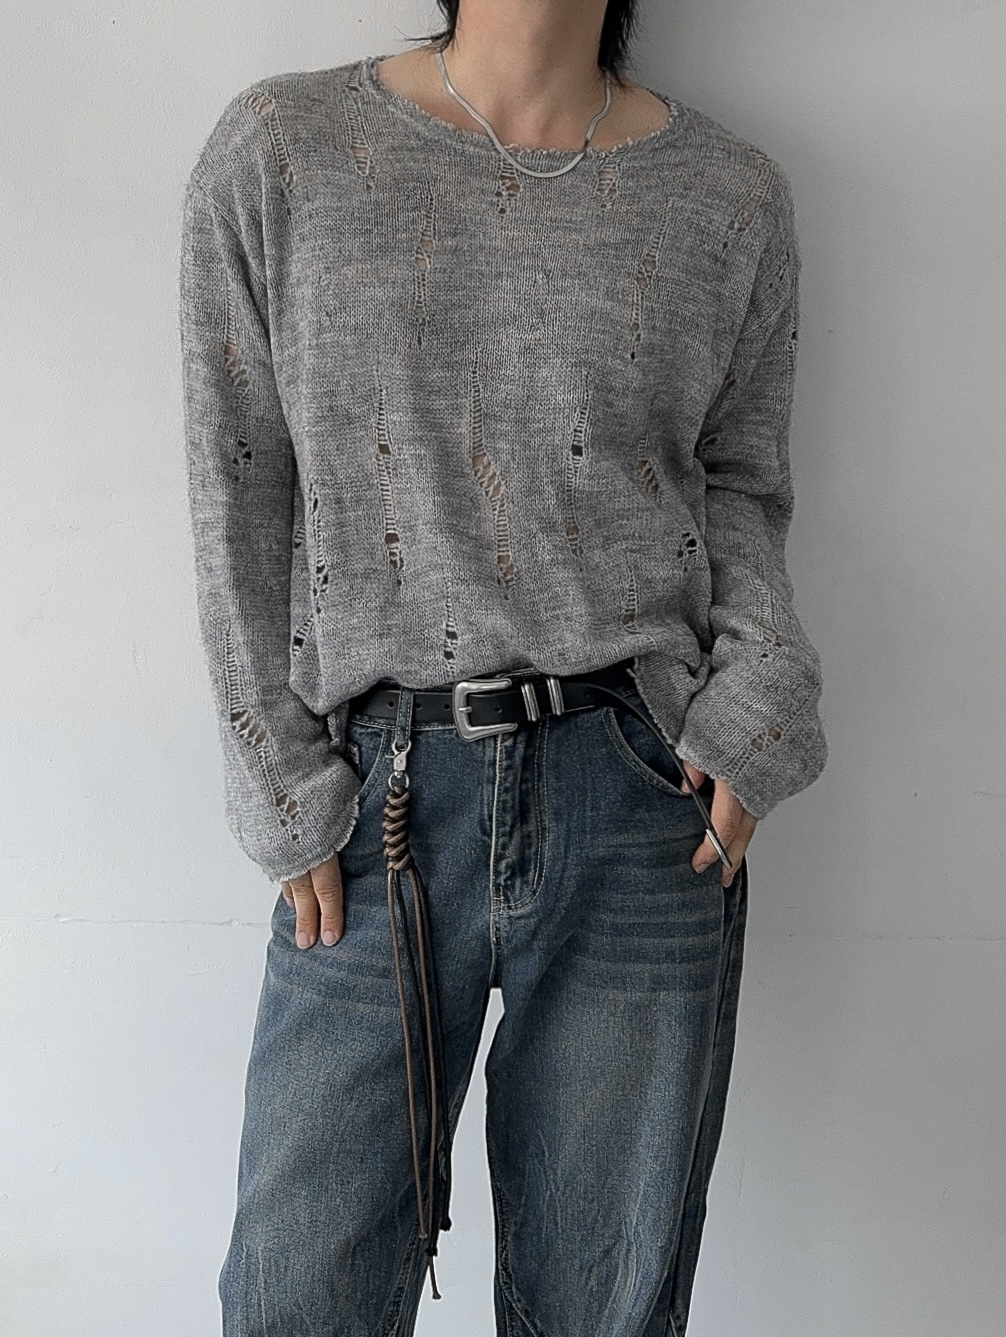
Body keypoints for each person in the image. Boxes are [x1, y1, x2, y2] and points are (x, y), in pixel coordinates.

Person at [178, 1, 828, 1332]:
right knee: (300, 1293)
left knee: (602, 1303)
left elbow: (742, 483)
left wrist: (757, 702)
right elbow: (236, 477)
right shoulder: (284, 149)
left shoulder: (729, 197)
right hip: (372, 801)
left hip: (643, 797)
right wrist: (274, 773)